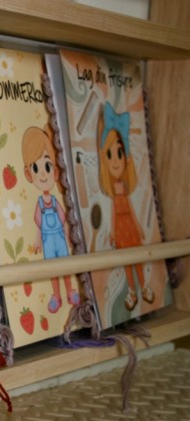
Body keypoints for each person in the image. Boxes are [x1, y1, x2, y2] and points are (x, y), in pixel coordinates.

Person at [97, 102, 153, 311]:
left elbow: (131, 209)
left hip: (129, 225)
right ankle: (132, 291)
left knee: (137, 259)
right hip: (120, 229)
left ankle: (144, 287)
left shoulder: (124, 188)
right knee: (127, 262)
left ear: (126, 156)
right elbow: (113, 213)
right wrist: (112, 232)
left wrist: (138, 226)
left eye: (119, 153)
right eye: (110, 155)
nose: (115, 161)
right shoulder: (113, 192)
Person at [22, 125, 79, 314]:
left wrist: (68, 235)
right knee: (52, 271)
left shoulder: (55, 201)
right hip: (47, 241)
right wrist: (37, 240)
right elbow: (38, 225)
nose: (42, 174)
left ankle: (70, 291)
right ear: (29, 174)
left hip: (59, 239)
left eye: (47, 166)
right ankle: (56, 296)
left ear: (54, 171)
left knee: (65, 267)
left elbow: (63, 220)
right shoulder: (39, 203)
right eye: (36, 168)